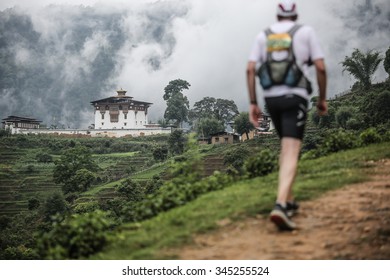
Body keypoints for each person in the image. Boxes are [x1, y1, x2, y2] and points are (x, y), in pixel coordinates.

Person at [246, 0, 327, 230]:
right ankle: (280, 204)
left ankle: (289, 200)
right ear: (295, 14)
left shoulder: (264, 36)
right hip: (295, 98)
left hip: (271, 99)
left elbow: (250, 69)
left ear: (278, 15)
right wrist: (322, 98)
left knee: (285, 147)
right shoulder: (305, 32)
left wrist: (253, 102)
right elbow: (320, 67)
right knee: (292, 149)